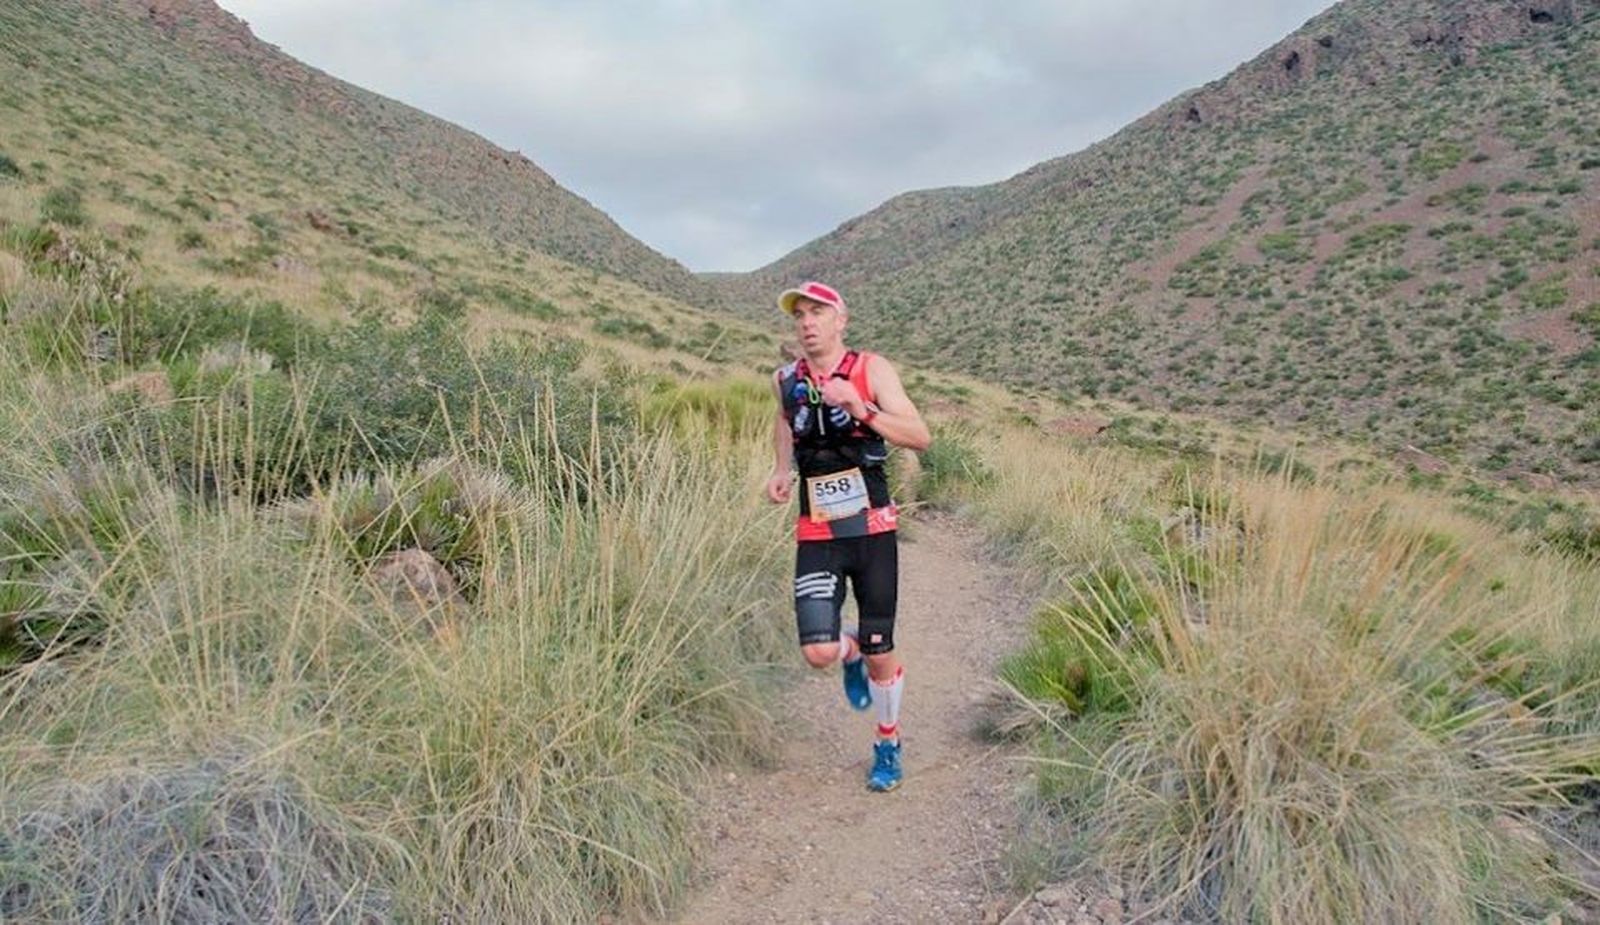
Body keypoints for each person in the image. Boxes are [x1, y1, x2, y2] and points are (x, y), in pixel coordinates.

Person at [764, 280, 931, 792]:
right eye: (800, 315)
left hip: (872, 529)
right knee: (817, 651)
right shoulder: (785, 379)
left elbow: (919, 437)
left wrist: (861, 409)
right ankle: (848, 652)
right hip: (817, 531)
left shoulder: (871, 370)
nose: (807, 323)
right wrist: (781, 468)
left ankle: (888, 742)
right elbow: (785, 421)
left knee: (883, 649)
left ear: (841, 320)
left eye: (817, 312)